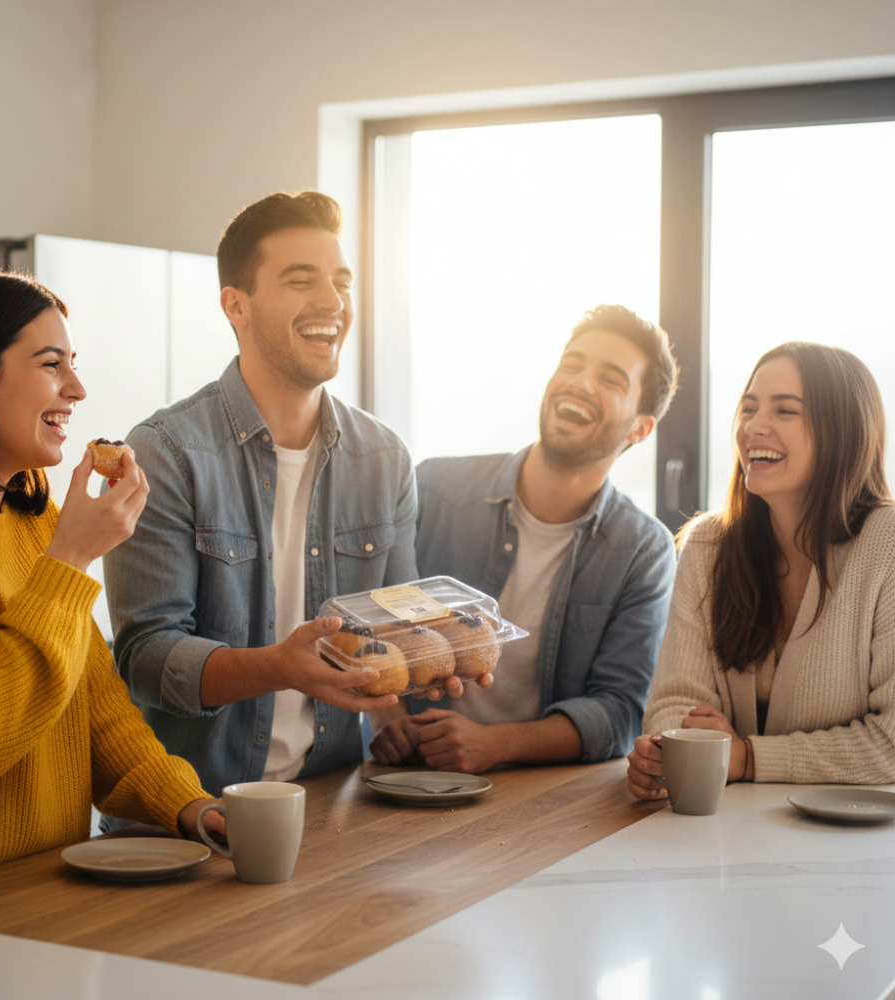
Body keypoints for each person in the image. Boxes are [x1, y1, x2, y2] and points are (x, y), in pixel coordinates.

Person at [103, 190, 453, 799]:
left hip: (329, 804)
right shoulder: (168, 451)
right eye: (301, 281)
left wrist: (437, 656)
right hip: (188, 813)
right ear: (235, 305)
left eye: (341, 282)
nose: (333, 303)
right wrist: (276, 667)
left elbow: (392, 625)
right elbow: (146, 661)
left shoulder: (384, 457)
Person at [0, 271, 220, 893]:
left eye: (74, 364)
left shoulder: (35, 518)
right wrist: (70, 559)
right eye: (52, 365)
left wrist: (192, 806)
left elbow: (95, 712)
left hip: (50, 889)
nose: (76, 388)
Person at [369, 305, 680, 773]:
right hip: (396, 778)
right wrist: (386, 716)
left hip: (533, 792)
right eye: (572, 364)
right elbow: (370, 619)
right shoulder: (433, 487)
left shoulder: (643, 549)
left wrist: (495, 745)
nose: (580, 382)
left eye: (611, 379)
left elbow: (620, 712)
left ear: (641, 427)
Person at [627, 342, 895, 799]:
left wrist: (748, 758)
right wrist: (668, 750)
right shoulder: (708, 544)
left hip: (857, 845)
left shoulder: (886, 544)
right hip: (725, 828)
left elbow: (889, 745)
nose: (754, 427)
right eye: (748, 408)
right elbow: (674, 703)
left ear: (843, 431)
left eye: (785, 411)